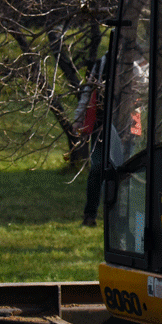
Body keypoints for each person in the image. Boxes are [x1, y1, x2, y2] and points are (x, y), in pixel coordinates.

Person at [73, 55, 107, 227]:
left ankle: (120, 216)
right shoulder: (102, 62)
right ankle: (90, 215)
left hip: (127, 125)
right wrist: (79, 118)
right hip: (101, 124)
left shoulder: (137, 62)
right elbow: (88, 91)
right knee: (97, 169)